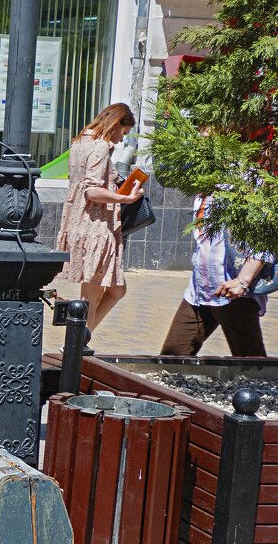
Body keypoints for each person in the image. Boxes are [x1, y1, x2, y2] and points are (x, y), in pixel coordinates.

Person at [56, 103, 143, 332]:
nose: (120, 140)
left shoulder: (80, 142)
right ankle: (77, 347)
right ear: (115, 124)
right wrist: (125, 199)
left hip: (79, 222)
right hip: (95, 226)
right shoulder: (101, 147)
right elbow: (91, 190)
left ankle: (83, 339)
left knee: (116, 289)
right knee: (90, 297)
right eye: (123, 133)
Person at [159, 193, 272, 356]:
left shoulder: (246, 180)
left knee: (251, 368)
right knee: (172, 358)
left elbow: (264, 240)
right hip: (199, 291)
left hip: (233, 291)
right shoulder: (206, 184)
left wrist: (242, 280)